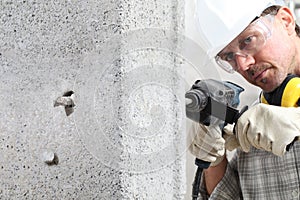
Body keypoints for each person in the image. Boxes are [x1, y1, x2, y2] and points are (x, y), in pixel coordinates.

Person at [189, 0, 300, 199]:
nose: (243, 65)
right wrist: (213, 158)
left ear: (286, 20)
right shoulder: (257, 128)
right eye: (229, 56)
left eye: (248, 40)